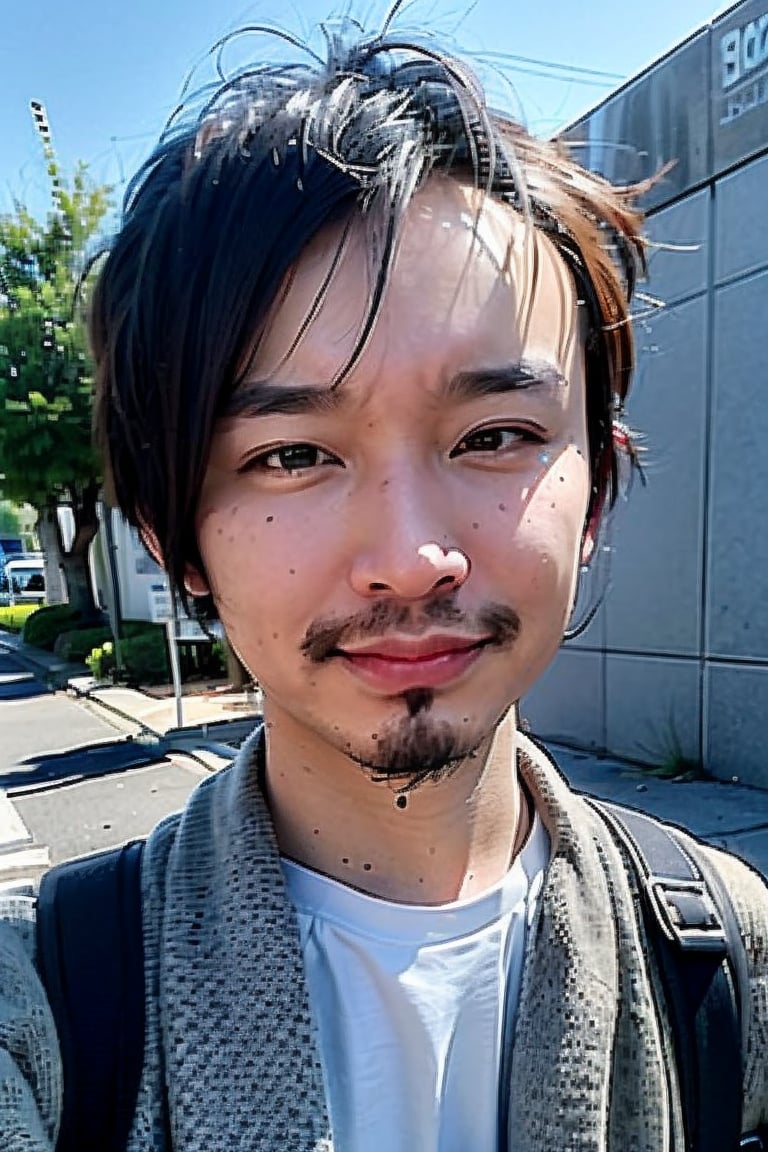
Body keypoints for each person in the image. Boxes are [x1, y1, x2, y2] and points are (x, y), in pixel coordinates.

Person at [1, 14, 767, 1152]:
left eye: (496, 435)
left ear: (594, 490)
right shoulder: (49, 1008)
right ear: (173, 535)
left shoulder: (731, 967)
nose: (413, 557)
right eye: (294, 455)